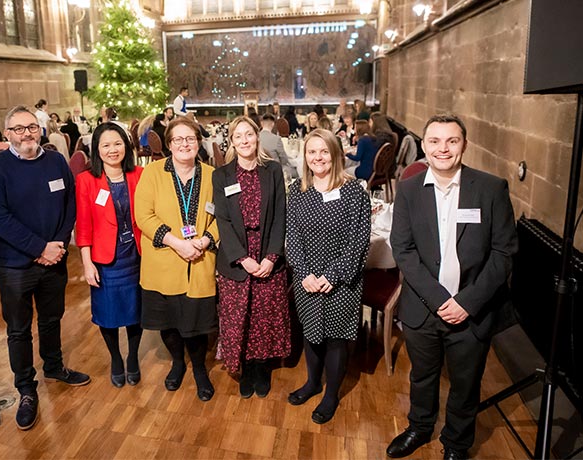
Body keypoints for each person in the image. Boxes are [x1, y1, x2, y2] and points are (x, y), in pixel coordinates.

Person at [386, 114, 517, 460]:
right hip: (423, 307)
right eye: (435, 141)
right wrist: (439, 298)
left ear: (464, 145)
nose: (443, 149)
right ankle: (419, 427)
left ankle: (457, 444)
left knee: (465, 384)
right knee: (422, 376)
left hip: (471, 311)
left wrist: (467, 302)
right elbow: (403, 248)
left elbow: (504, 253)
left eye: (451, 141)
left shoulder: (490, 189)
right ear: (424, 145)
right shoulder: (409, 189)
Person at [0, 105, 90, 431]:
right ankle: (26, 388)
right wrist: (39, 248)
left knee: (52, 318)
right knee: (18, 329)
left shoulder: (55, 161)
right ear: (7, 133)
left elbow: (69, 205)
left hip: (53, 260)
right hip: (15, 265)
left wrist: (55, 246)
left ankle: (54, 367)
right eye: (18, 129)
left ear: (39, 129)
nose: (26, 133)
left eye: (31, 127)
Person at [285, 128, 371, 425]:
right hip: (306, 278)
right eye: (312, 152)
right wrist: (304, 272)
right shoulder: (297, 190)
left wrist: (332, 275)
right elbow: (291, 235)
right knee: (311, 332)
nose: (317, 157)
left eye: (324, 151)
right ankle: (312, 383)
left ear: (335, 154)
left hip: (341, 280)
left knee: (336, 339)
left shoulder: (354, 191)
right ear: (305, 156)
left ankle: (331, 394)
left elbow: (359, 241)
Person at [134, 117, 219, 402]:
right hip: (163, 260)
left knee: (195, 324)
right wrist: (177, 243)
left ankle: (199, 369)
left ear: (198, 142)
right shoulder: (153, 173)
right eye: (178, 139)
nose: (185, 144)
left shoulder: (211, 175)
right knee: (168, 323)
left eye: (190, 139)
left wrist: (205, 240)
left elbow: (223, 216)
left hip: (199, 259)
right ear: (169, 144)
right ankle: (178, 363)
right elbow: (143, 215)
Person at [213, 116, 290, 398]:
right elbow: (223, 220)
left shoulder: (272, 170)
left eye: (249, 134)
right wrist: (243, 258)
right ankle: (243, 366)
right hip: (237, 257)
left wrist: (271, 257)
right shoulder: (221, 175)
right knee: (238, 318)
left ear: (257, 137)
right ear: (231, 141)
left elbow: (281, 215)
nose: (245, 140)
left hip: (267, 251)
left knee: (264, 317)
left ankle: (261, 367)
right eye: (238, 136)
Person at [75, 122, 144, 388]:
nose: (113, 150)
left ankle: (134, 357)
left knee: (135, 311)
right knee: (108, 313)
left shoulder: (140, 175)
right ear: (97, 149)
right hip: (105, 259)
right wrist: (86, 262)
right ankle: (116, 357)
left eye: (118, 143)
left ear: (126, 146)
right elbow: (83, 224)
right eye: (106, 145)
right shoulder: (86, 180)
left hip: (136, 255)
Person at [345, 112, 395, 180]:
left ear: (376, 123)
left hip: (377, 169)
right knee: (352, 163)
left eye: (370, 122)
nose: (369, 124)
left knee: (346, 169)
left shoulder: (381, 138)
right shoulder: (383, 135)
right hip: (381, 167)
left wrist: (347, 153)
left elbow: (361, 156)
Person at [259, 113, 297, 179]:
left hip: (260, 170)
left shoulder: (256, 138)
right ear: (273, 124)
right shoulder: (277, 139)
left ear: (261, 124)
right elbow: (284, 159)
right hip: (275, 171)